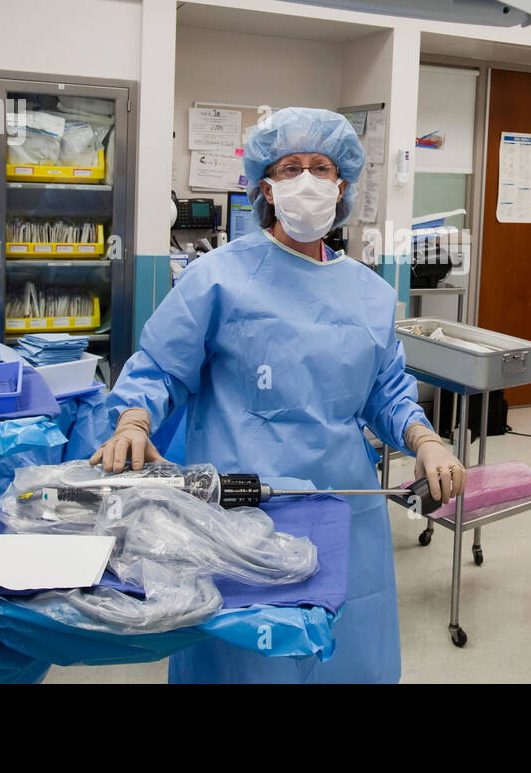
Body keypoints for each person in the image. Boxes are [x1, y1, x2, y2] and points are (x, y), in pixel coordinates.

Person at [93, 107, 464, 683]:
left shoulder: (368, 291)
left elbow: (387, 391)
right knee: (245, 659)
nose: (308, 180)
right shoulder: (217, 276)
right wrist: (133, 423)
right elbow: (161, 367)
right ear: (265, 184)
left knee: (345, 648)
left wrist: (427, 440)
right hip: (240, 509)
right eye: (290, 167)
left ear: (342, 184)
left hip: (343, 506)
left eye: (321, 167)